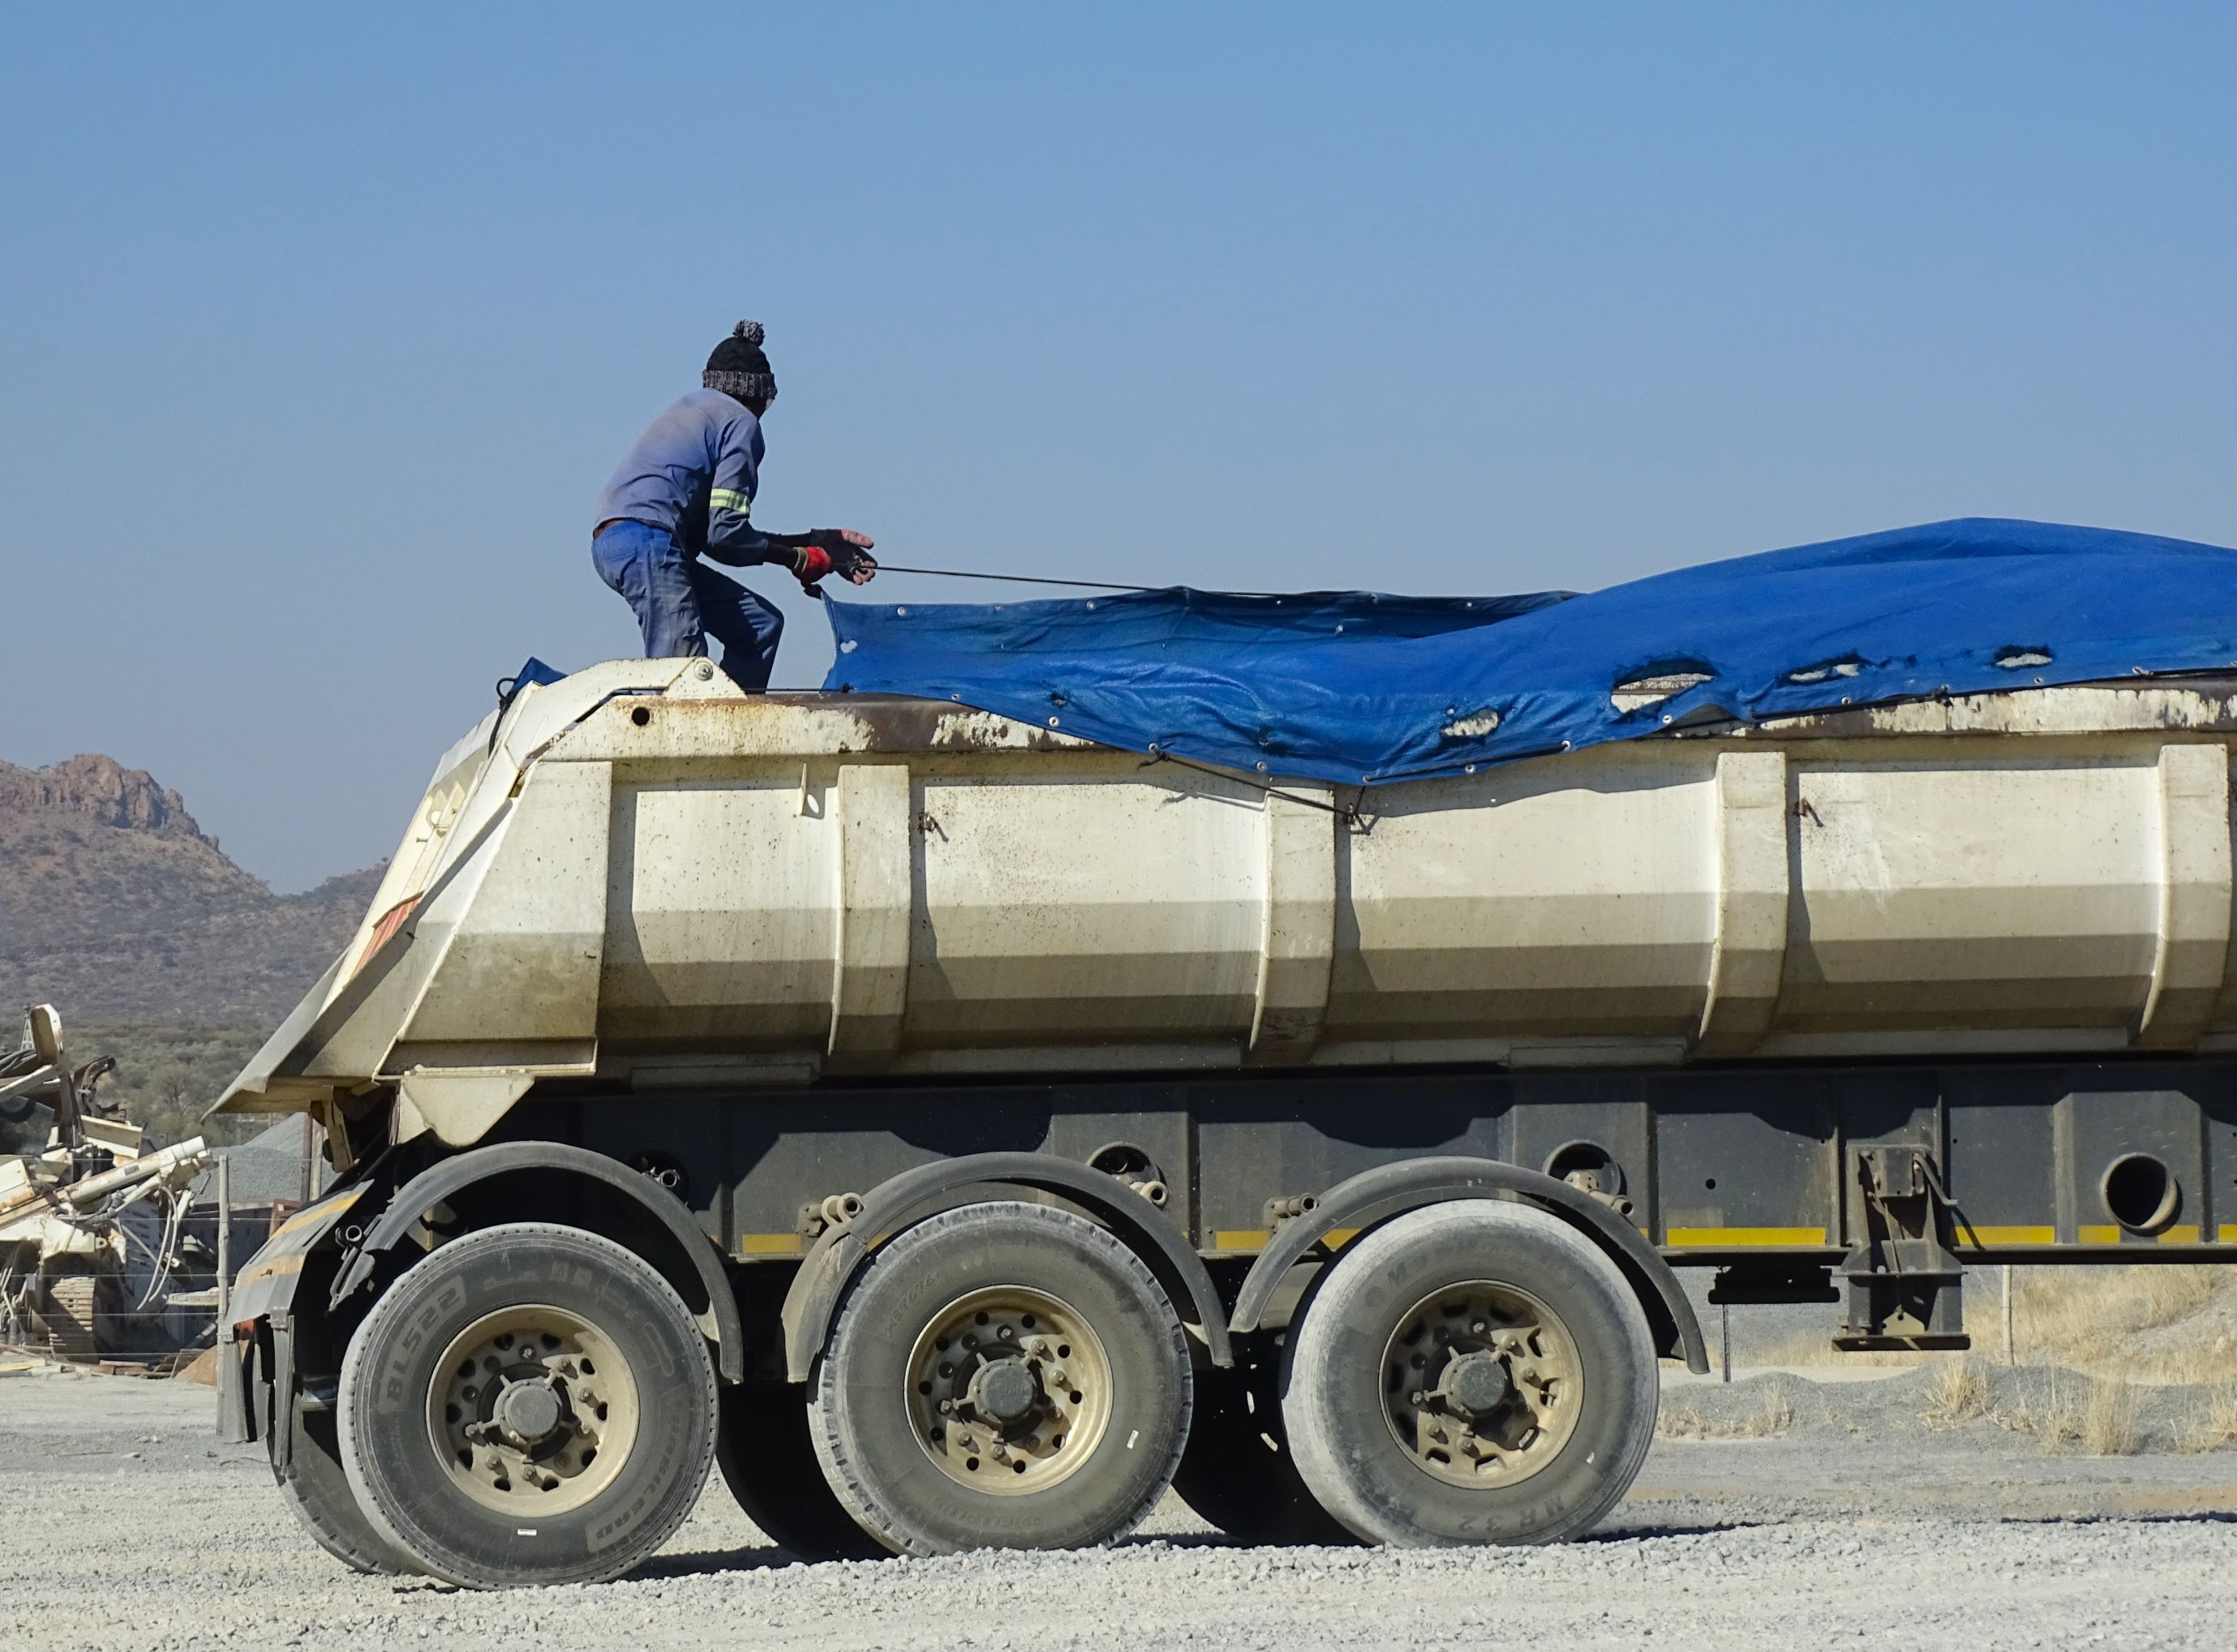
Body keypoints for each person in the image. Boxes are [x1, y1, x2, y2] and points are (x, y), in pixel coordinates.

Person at [592, 320, 876, 689]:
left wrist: (811, 542)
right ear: (758, 396)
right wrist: (798, 559)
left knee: (760, 626)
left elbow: (715, 536)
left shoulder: (694, 408)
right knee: (683, 670)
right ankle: (688, 737)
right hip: (648, 542)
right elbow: (726, 536)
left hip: (623, 541)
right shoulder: (741, 423)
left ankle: (731, 730)